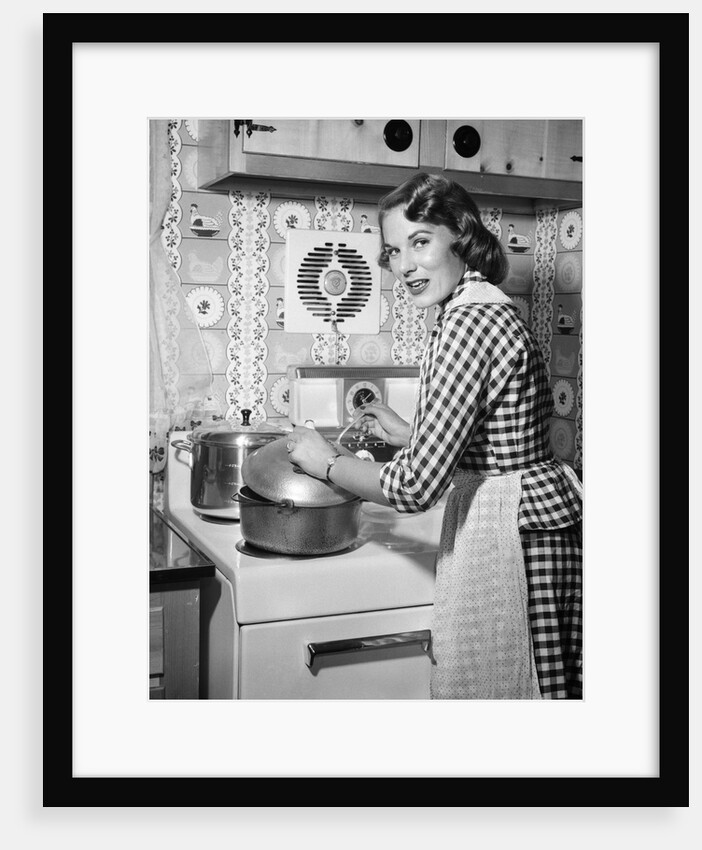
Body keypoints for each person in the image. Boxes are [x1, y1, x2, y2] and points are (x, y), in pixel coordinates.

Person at [286, 172, 582, 700]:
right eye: (394, 250)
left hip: (513, 532)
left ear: (460, 237)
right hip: (537, 515)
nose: (404, 266)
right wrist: (411, 433)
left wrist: (325, 462)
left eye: (420, 242)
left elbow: (415, 487)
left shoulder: (467, 323)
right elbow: (499, 434)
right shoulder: (483, 304)